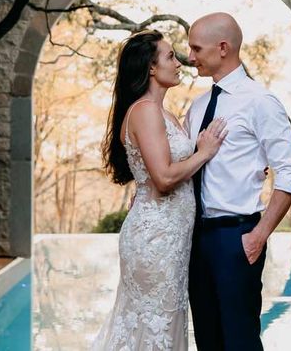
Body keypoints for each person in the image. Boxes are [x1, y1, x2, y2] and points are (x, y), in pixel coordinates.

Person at [92, 29, 228, 351]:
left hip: (170, 240)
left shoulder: (162, 112)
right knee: (155, 326)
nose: (179, 62)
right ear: (151, 68)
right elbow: (164, 177)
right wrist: (204, 153)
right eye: (170, 56)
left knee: (163, 326)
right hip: (156, 241)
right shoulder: (145, 111)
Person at [186, 12, 291, 351]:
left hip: (236, 237)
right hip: (196, 239)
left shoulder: (260, 101)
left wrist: (258, 235)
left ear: (222, 47)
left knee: (240, 342)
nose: (190, 56)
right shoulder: (196, 107)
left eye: (196, 48)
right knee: (208, 341)